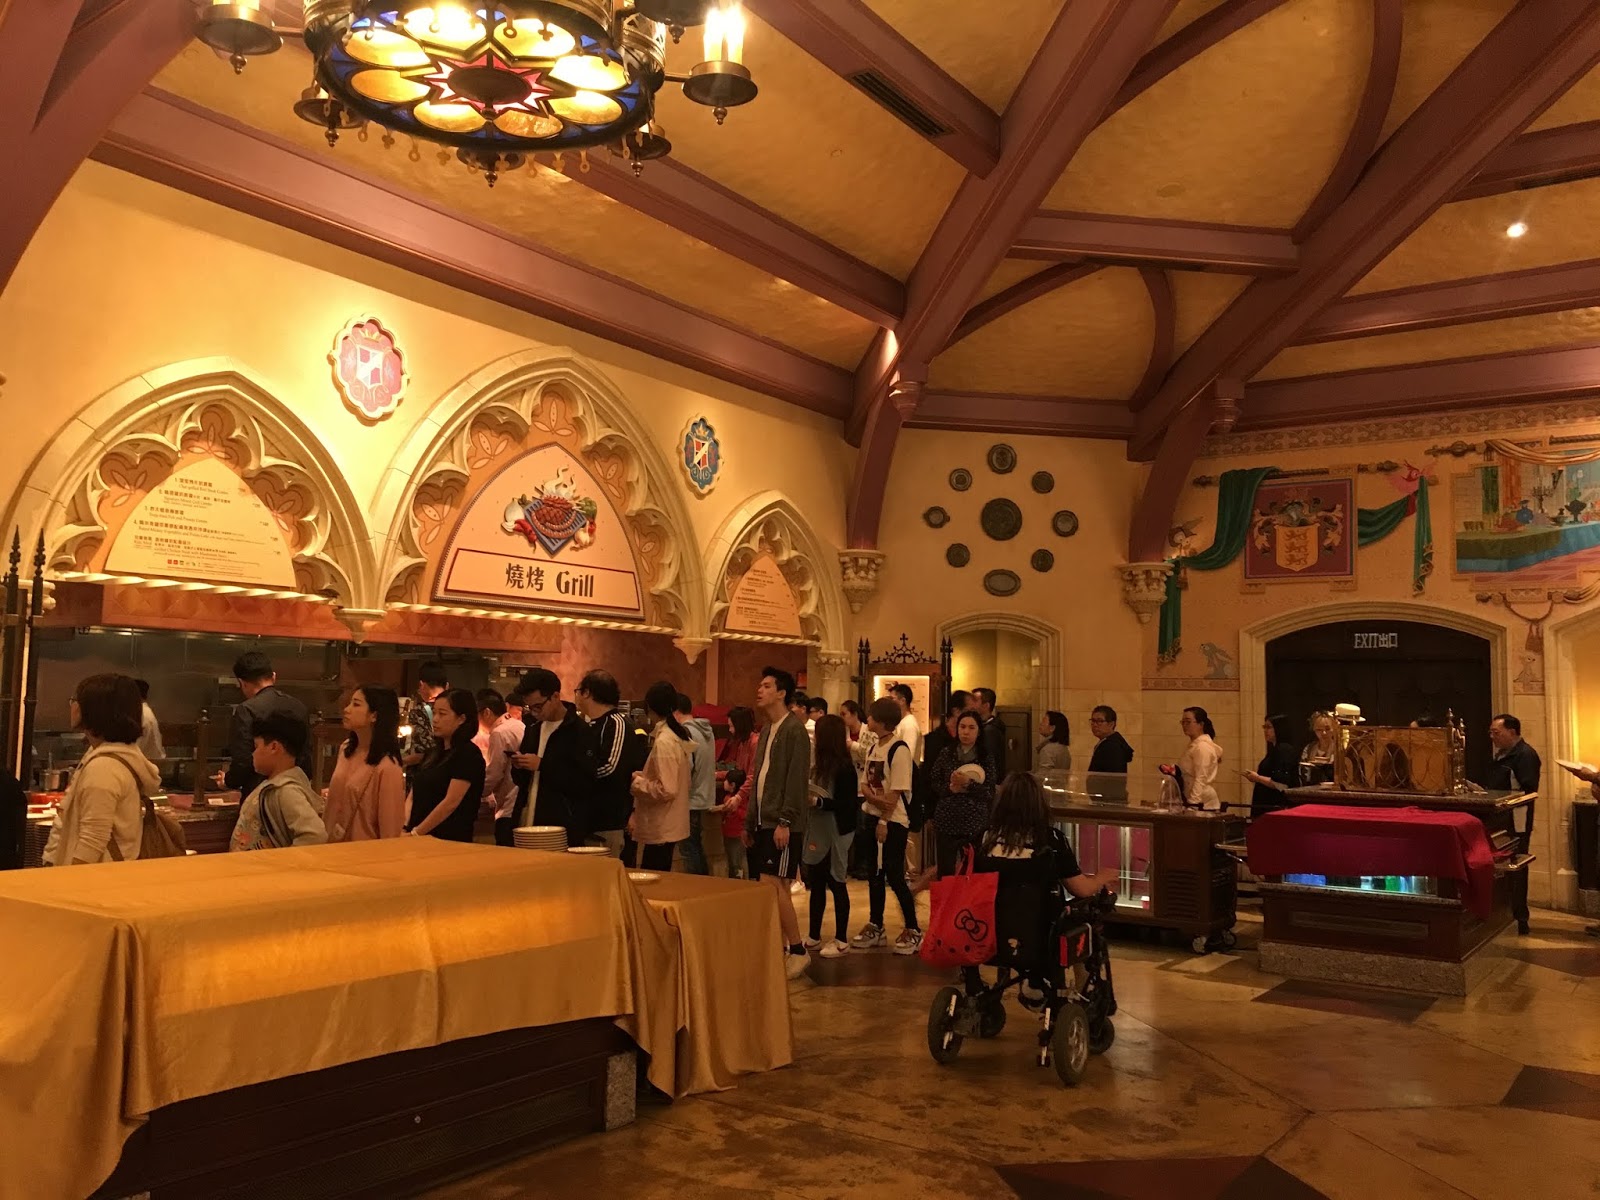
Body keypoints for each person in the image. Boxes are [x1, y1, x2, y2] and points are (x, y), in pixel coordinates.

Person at [42, 674, 160, 866]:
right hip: (111, 874)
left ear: (93, 710)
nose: (72, 706)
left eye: (75, 700)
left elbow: (92, 840)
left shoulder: (103, 768)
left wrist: (67, 878)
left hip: (95, 877)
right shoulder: (118, 756)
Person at [745, 666, 812, 979]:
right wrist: (750, 822)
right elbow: (759, 777)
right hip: (764, 820)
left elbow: (796, 780)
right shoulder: (767, 729)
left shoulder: (794, 730)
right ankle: (781, 949)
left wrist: (785, 820)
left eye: (767, 686)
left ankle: (798, 949)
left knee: (772, 883)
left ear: (782, 693)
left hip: (783, 822)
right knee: (773, 886)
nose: (760, 690)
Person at [851, 696, 922, 955]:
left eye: (871, 716)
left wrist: (883, 818)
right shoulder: (874, 748)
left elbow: (896, 791)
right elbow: (865, 783)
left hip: (893, 821)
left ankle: (913, 928)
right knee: (875, 874)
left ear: (880, 721)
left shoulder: (898, 749)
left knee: (894, 875)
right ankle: (876, 924)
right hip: (872, 816)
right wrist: (873, 800)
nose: (867, 719)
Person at [511, 668, 592, 840]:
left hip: (562, 824)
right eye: (530, 707)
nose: (534, 712)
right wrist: (519, 766)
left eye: (538, 706)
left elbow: (583, 782)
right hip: (528, 816)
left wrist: (542, 765)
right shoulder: (533, 729)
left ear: (555, 696)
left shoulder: (579, 731)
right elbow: (521, 781)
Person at [803, 713, 858, 958]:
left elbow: (848, 805)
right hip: (817, 828)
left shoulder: (845, 768)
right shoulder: (818, 767)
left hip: (837, 830)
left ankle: (841, 939)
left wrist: (819, 802)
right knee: (816, 882)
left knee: (837, 882)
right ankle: (814, 935)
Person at [230, 711, 327, 851]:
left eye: (256, 747)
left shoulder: (287, 791)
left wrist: (284, 861)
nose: (253, 753)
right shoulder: (274, 784)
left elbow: (315, 835)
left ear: (274, 747)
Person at [325, 685, 406, 842]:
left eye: (356, 704)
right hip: (330, 845)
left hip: (362, 850)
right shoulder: (346, 749)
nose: (347, 710)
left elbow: (390, 832)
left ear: (374, 715)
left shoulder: (387, 766)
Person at [626, 680, 692, 871]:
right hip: (670, 822)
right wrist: (645, 775)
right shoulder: (677, 735)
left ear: (650, 707)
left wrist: (638, 783)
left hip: (662, 824)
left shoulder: (665, 740)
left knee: (655, 876)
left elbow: (667, 788)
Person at [223, 651, 311, 796]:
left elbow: (243, 761)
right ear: (273, 676)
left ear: (242, 683)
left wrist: (228, 781)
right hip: (295, 790)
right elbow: (306, 757)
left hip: (259, 794)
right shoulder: (299, 706)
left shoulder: (246, 710)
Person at [575, 669, 643, 854]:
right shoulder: (589, 724)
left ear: (587, 693)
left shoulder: (616, 722)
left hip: (609, 819)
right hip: (587, 818)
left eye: (578, 691)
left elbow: (610, 767)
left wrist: (574, 776)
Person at [1484, 712, 1541, 935]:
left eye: (1496, 732)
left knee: (1516, 865)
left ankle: (1520, 916)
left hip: (1516, 820)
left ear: (1512, 731)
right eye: (1491, 733)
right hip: (1499, 818)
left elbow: (1528, 790)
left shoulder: (1525, 755)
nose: (1492, 737)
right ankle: (1501, 912)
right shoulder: (1502, 755)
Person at [405, 687, 484, 841]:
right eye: (434, 713)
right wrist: (404, 826)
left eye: (442, 714)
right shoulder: (433, 752)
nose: (435, 719)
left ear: (461, 719)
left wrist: (417, 833)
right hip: (416, 837)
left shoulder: (468, 754)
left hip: (448, 839)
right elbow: (414, 793)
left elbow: (451, 802)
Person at [928, 708, 995, 878]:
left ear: (979, 731)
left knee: (973, 870)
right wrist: (950, 789)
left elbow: (989, 791)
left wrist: (968, 784)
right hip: (947, 819)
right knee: (946, 871)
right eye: (962, 727)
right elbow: (934, 781)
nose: (966, 732)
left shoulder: (985, 757)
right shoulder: (947, 753)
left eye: (971, 728)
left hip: (974, 822)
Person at [474, 688, 525, 846]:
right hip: (521, 799)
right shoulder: (518, 724)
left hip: (508, 803)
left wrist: (475, 792)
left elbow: (494, 773)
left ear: (486, 713)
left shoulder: (499, 732)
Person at [677, 692, 716, 875]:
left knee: (689, 851)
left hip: (689, 799)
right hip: (703, 796)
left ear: (675, 712)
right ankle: (705, 884)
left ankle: (697, 885)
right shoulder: (705, 731)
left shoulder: (686, 732)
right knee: (696, 847)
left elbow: (686, 769)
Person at [842, 698, 880, 881]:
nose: (842, 718)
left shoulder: (868, 732)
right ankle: (853, 864)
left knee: (864, 829)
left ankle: (865, 866)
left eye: (844, 714)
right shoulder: (844, 733)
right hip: (850, 785)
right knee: (852, 828)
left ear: (855, 714)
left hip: (866, 786)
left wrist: (853, 746)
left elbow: (872, 754)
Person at [1166, 706, 1223, 811]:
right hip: (1193, 798)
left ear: (1201, 724)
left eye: (1188, 722)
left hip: (1203, 803)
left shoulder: (1202, 747)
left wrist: (1193, 804)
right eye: (1182, 722)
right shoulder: (1194, 745)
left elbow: (1201, 777)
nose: (1184, 725)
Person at [1245, 714, 1300, 819]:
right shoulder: (1275, 749)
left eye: (1269, 727)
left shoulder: (1284, 750)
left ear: (1279, 729)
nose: (1265, 731)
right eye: (1264, 727)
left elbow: (1281, 784)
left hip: (1275, 806)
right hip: (1268, 805)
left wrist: (1257, 778)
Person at [401, 661, 450, 773]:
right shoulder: (454, 709)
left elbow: (421, 753)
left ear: (422, 684)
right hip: (448, 769)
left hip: (425, 772)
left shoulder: (419, 712)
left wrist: (401, 761)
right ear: (447, 685)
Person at [717, 767, 749, 879]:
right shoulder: (728, 797)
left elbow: (745, 815)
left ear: (733, 785)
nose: (724, 782)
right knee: (730, 860)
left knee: (737, 861)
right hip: (727, 833)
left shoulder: (741, 800)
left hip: (737, 835)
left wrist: (734, 810)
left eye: (726, 780)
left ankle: (741, 880)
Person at [1087, 705, 1134, 773]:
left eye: (1100, 721)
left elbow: (1112, 776)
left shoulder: (1112, 746)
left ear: (1111, 724)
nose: (1095, 725)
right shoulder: (1107, 742)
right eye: (1093, 721)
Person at [973, 687, 1006, 778]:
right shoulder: (983, 726)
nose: (971, 705)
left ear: (986, 705)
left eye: (975, 701)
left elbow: (988, 760)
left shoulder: (990, 731)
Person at [1300, 710, 1338, 785]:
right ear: (1314, 730)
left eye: (1327, 729)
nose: (1324, 733)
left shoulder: (1339, 749)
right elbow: (1304, 774)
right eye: (1319, 730)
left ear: (1334, 728)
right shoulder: (1309, 749)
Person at [134, 678, 164, 765]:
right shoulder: (142, 712)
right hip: (148, 763)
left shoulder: (142, 714)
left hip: (149, 765)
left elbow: (134, 750)